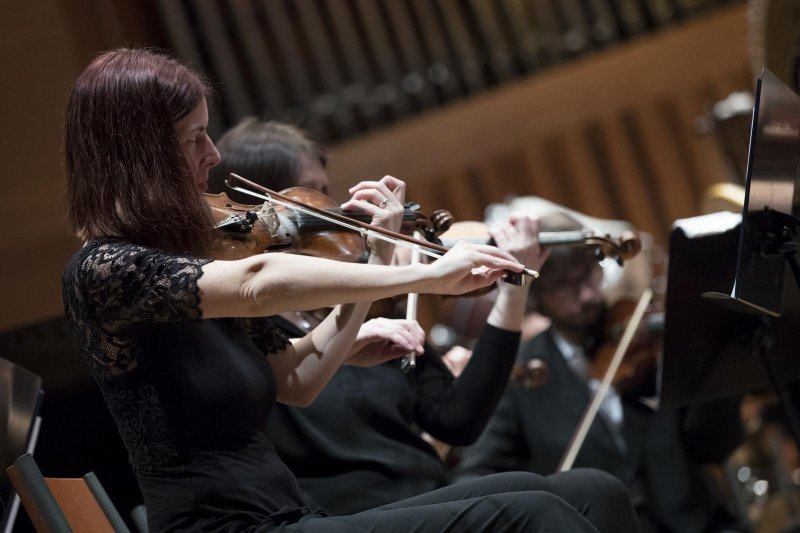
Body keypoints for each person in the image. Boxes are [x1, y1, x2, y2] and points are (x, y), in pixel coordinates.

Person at [61, 47, 627, 532]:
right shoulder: (105, 272)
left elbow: (297, 380)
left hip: (291, 516)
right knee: (535, 516)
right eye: (193, 138)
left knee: (583, 493)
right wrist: (423, 273)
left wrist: (377, 256)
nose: (211, 156)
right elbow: (259, 283)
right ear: (139, 157)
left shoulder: (195, 255)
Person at [208, 118, 640, 533]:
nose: (334, 211)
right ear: (263, 212)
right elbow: (296, 386)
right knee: (545, 505)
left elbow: (455, 419)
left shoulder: (360, 299)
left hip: (434, 498)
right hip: (353, 515)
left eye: (327, 192)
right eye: (314, 195)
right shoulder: (252, 322)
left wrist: (513, 288)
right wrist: (378, 272)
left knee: (596, 489)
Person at [454, 246, 748, 533]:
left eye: (587, 277)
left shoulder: (646, 342)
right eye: (564, 287)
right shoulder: (520, 372)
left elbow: (714, 443)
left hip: (696, 521)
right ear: (539, 298)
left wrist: (714, 363)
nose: (586, 296)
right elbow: (478, 474)